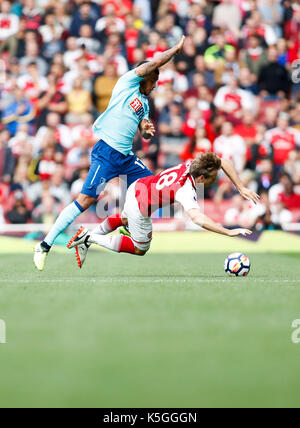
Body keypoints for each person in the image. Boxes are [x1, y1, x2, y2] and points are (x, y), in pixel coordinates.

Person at [34, 36, 186, 271]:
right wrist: (174, 50)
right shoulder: (127, 82)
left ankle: (99, 233)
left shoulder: (144, 103)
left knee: (152, 188)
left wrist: (145, 130)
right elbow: (152, 64)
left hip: (126, 157)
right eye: (154, 79)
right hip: (106, 153)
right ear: (144, 74)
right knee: (85, 200)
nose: (155, 84)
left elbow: (143, 132)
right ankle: (44, 245)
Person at [67, 153, 259, 267]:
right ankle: (88, 237)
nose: (209, 183)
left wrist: (240, 187)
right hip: (140, 206)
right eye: (209, 180)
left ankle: (86, 241)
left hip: (138, 186)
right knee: (139, 248)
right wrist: (228, 231)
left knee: (124, 219)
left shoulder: (191, 164)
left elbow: (221, 161)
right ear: (200, 178)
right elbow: (198, 218)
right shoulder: (185, 190)